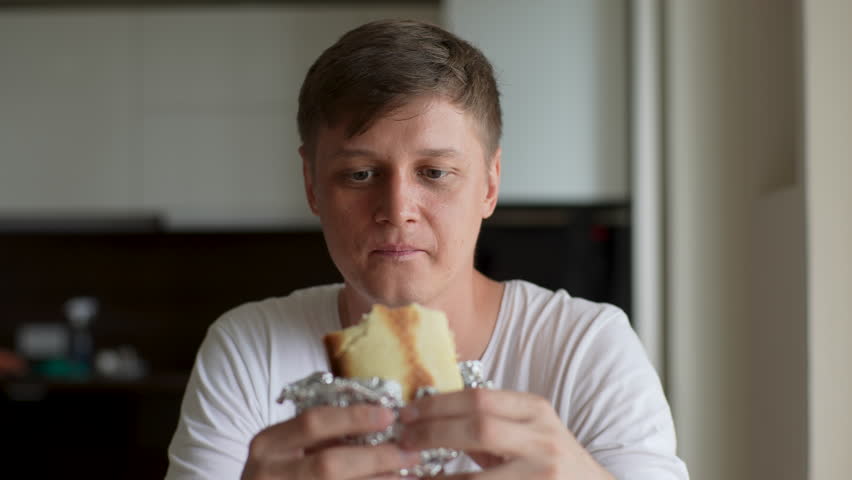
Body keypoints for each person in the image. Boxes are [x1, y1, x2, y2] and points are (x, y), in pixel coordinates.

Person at [166, 19, 688, 480]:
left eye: (435, 172)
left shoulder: (586, 347)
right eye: (360, 174)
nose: (397, 210)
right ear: (311, 184)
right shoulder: (250, 349)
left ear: (490, 184)